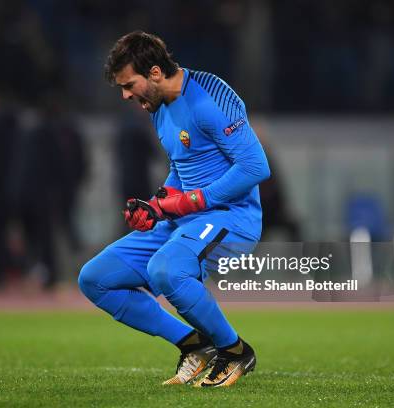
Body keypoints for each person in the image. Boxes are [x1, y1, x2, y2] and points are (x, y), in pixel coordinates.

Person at [78, 31, 270, 387]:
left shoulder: (211, 96)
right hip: (186, 219)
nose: (125, 95)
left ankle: (234, 351)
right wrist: (157, 204)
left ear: (154, 72)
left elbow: (256, 167)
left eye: (128, 84)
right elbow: (183, 169)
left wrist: (191, 201)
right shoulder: (158, 109)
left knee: (166, 269)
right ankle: (194, 345)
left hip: (232, 218)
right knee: (95, 279)